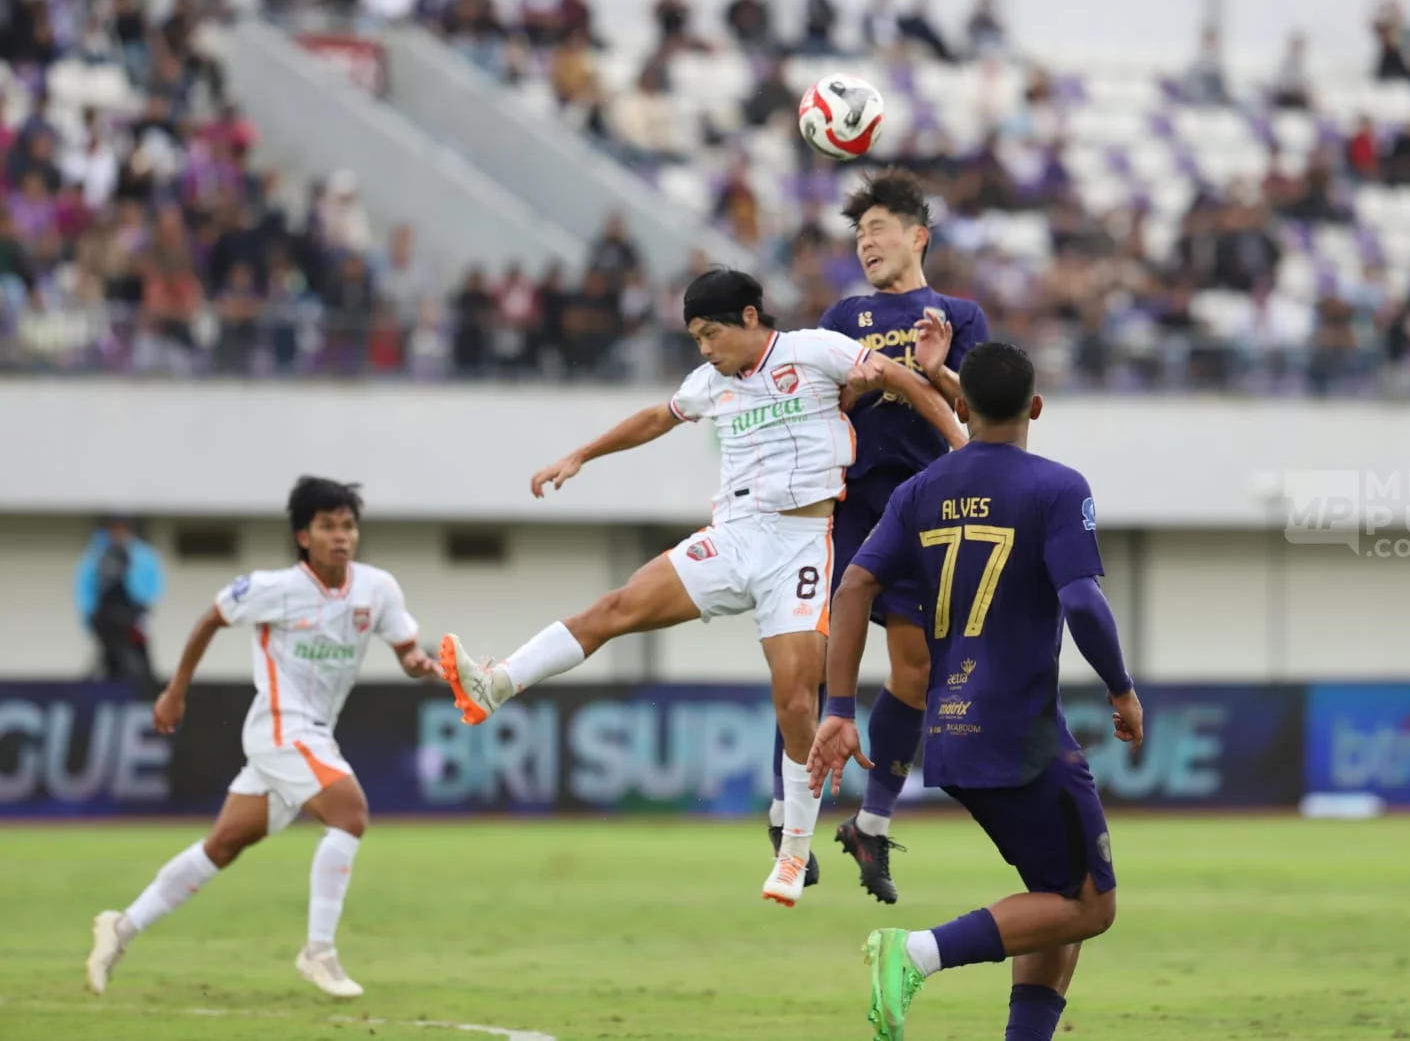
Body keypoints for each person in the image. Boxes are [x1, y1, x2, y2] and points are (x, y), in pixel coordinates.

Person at [435, 268, 965, 907]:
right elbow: (656, 418)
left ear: (749, 317)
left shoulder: (812, 350)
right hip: (734, 534)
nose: (705, 349)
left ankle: (793, 854)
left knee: (797, 700)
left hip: (800, 546)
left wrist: (961, 447)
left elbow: (902, 379)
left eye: (711, 333)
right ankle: (495, 684)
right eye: (694, 338)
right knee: (617, 606)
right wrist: (580, 455)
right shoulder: (711, 382)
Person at [807, 342, 1144, 1041]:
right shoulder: (1057, 487)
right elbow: (1082, 603)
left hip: (950, 728)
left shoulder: (919, 490)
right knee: (1091, 906)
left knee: (1056, 898)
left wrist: (839, 708)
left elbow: (853, 586)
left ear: (960, 407)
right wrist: (1122, 689)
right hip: (1021, 732)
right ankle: (916, 953)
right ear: (1037, 408)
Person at [85, 477, 438, 1000]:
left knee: (223, 846)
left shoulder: (377, 589)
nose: (341, 536)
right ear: (303, 535)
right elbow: (211, 619)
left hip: (312, 734)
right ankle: (318, 951)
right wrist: (175, 691)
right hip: (278, 726)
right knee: (350, 814)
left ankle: (121, 927)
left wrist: (422, 665)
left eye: (348, 525)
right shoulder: (274, 589)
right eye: (327, 526)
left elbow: (406, 650)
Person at [767, 167, 990, 904]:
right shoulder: (841, 319)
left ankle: (871, 821)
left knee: (916, 672)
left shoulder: (960, 314)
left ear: (917, 235)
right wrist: (863, 383)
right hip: (854, 504)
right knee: (820, 653)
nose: (866, 243)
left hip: (929, 510)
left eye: (879, 229)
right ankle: (784, 809)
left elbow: (989, 408)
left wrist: (936, 371)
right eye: (859, 234)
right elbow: (813, 400)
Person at [75, 516, 165, 688]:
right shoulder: (96, 555)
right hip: (107, 623)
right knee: (112, 663)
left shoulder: (143, 555)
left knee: (138, 666)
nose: (119, 533)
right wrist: (90, 617)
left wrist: (139, 608)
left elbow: (151, 588)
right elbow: (85, 590)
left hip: (132, 622)